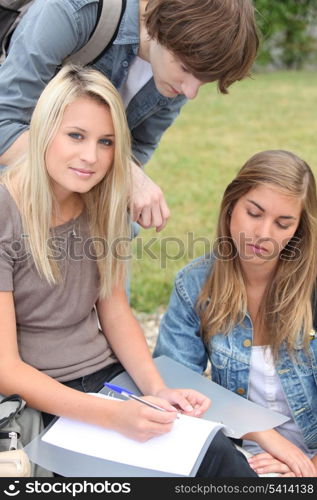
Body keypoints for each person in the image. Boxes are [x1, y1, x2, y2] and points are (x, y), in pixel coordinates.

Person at [0, 64, 257, 477]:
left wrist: (157, 390)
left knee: (218, 458)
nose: (91, 157)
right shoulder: (5, 212)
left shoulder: (104, 205)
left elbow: (115, 310)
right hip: (37, 400)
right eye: (76, 136)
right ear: (45, 130)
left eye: (106, 142)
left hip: (105, 376)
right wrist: (110, 416)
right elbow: (7, 369)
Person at [0, 0, 259, 232]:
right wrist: (123, 175)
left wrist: (124, 180)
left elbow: (138, 147)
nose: (190, 92)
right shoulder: (73, 11)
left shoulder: (180, 75)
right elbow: (3, 122)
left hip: (80, 206)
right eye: (184, 68)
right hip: (15, 191)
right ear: (158, 28)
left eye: (204, 80)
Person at [154, 150, 317, 477]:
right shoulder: (195, 284)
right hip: (240, 455)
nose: (264, 234)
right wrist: (265, 437)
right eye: (254, 213)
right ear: (230, 207)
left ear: (298, 230)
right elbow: (172, 380)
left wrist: (309, 466)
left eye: (283, 223)